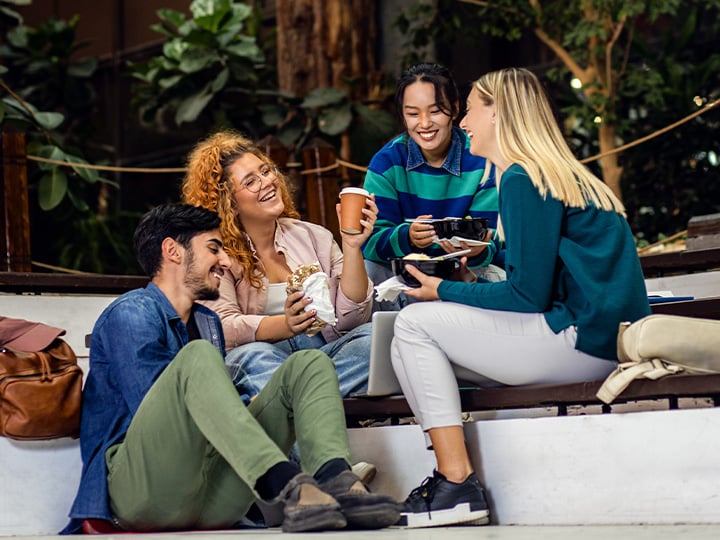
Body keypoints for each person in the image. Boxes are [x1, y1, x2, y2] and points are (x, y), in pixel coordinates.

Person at [390, 67, 652, 528]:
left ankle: (455, 482)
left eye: (471, 108)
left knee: (412, 325)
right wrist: (477, 273)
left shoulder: (521, 178)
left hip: (580, 342)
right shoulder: (556, 174)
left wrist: (442, 289)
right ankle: (454, 479)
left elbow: (528, 296)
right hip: (604, 341)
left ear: (499, 113)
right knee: (417, 349)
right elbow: (545, 276)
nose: (464, 121)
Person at [63, 203, 398, 534]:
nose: (224, 261)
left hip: (209, 496)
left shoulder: (206, 321)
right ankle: (286, 482)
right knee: (198, 358)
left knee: (309, 364)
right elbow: (155, 413)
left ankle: (336, 480)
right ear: (172, 251)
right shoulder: (132, 313)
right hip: (142, 492)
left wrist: (244, 411)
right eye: (213, 249)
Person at [182, 131, 376, 400]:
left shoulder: (313, 236)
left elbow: (351, 320)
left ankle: (290, 403)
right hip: (265, 357)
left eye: (266, 171)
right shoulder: (216, 253)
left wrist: (352, 246)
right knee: (251, 357)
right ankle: (312, 402)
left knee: (376, 339)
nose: (268, 182)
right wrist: (285, 325)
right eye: (251, 181)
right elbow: (222, 327)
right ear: (229, 203)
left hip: (322, 356)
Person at [362, 62, 502, 310]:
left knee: (492, 273)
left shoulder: (482, 159)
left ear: (455, 109)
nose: (424, 123)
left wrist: (476, 249)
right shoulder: (387, 163)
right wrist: (408, 237)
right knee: (367, 269)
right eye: (413, 114)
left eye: (435, 111)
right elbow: (369, 242)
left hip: (465, 272)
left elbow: (494, 240)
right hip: (405, 277)